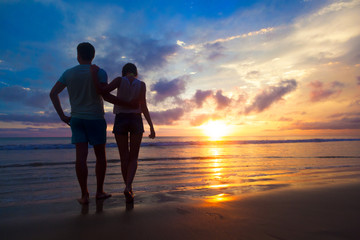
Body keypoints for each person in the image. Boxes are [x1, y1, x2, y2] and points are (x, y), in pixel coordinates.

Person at [50, 42, 133, 204]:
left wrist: (62, 115)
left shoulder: (68, 73)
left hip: (77, 119)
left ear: (78, 55)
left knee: (80, 158)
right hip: (95, 118)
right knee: (100, 157)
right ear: (93, 55)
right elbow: (105, 94)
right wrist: (126, 103)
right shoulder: (100, 72)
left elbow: (53, 93)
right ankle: (99, 191)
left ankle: (84, 195)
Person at [91, 63, 155, 203]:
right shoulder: (141, 84)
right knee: (134, 157)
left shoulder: (119, 80)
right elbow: (143, 105)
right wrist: (151, 126)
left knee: (124, 157)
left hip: (121, 118)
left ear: (124, 72)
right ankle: (128, 187)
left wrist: (95, 76)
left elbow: (103, 91)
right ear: (135, 72)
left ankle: (127, 186)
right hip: (136, 119)